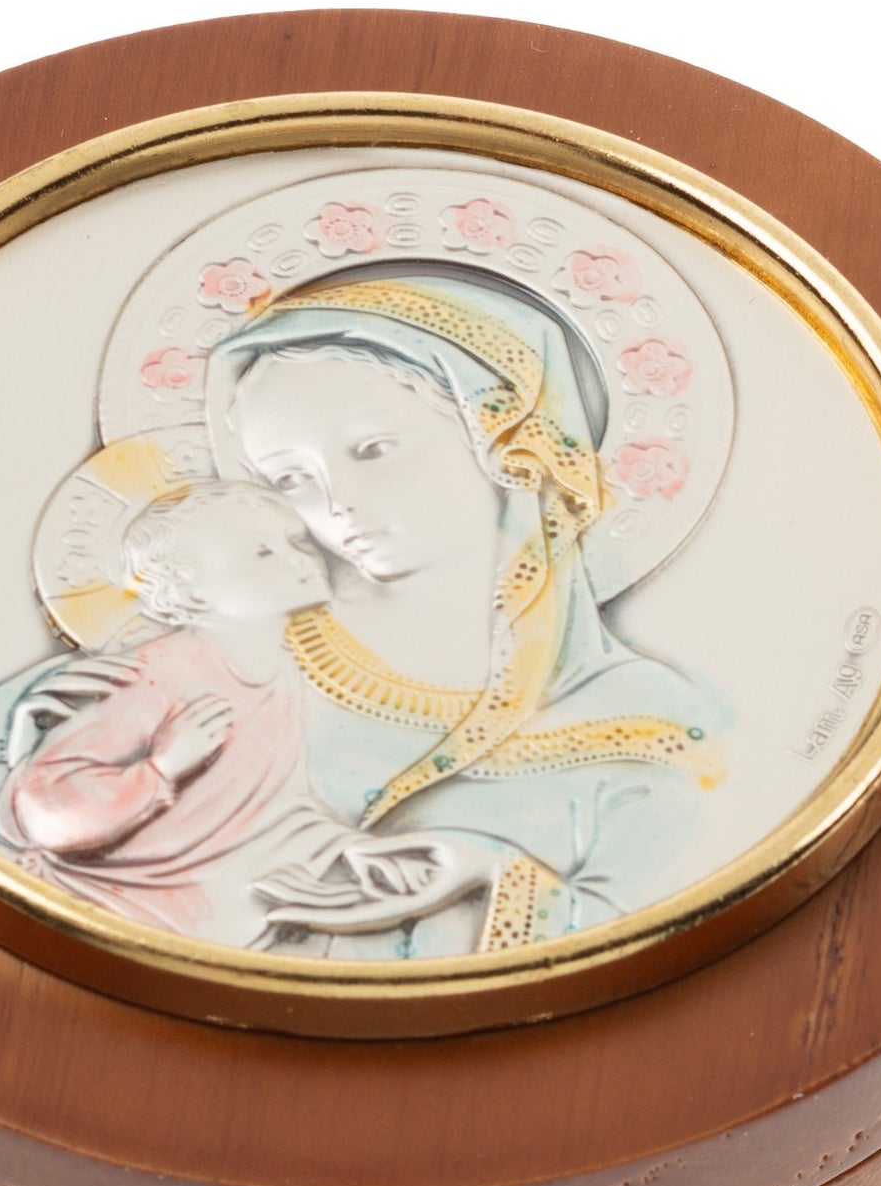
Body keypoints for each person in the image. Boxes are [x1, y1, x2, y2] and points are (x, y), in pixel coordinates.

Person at [204, 270, 729, 958]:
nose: (336, 502)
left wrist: (486, 873)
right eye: (289, 478)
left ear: (503, 442)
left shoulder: (649, 715)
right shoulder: (235, 666)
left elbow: (665, 927)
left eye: (374, 449)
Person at [0, 479, 450, 947]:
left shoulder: (287, 673)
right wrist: (160, 769)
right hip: (111, 907)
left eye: (295, 541)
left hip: (215, 907)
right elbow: (46, 808)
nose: (300, 559)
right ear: (191, 591)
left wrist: (348, 848)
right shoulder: (156, 678)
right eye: (263, 553)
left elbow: (273, 811)